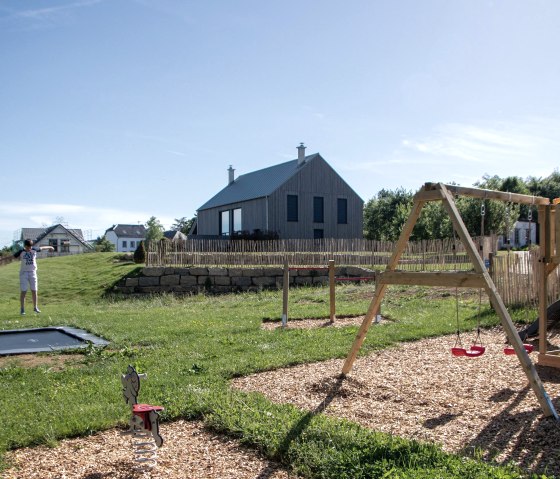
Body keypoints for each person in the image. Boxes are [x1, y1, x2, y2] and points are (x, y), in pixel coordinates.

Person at [13, 239, 54, 315]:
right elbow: (12, 256)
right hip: (24, 273)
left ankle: (35, 307)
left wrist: (50, 247)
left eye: (30, 246)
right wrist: (2, 259)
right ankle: (22, 309)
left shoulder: (34, 250)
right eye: (28, 247)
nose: (29, 248)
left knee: (34, 290)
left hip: (33, 272)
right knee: (24, 291)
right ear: (25, 246)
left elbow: (43, 248)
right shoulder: (21, 252)